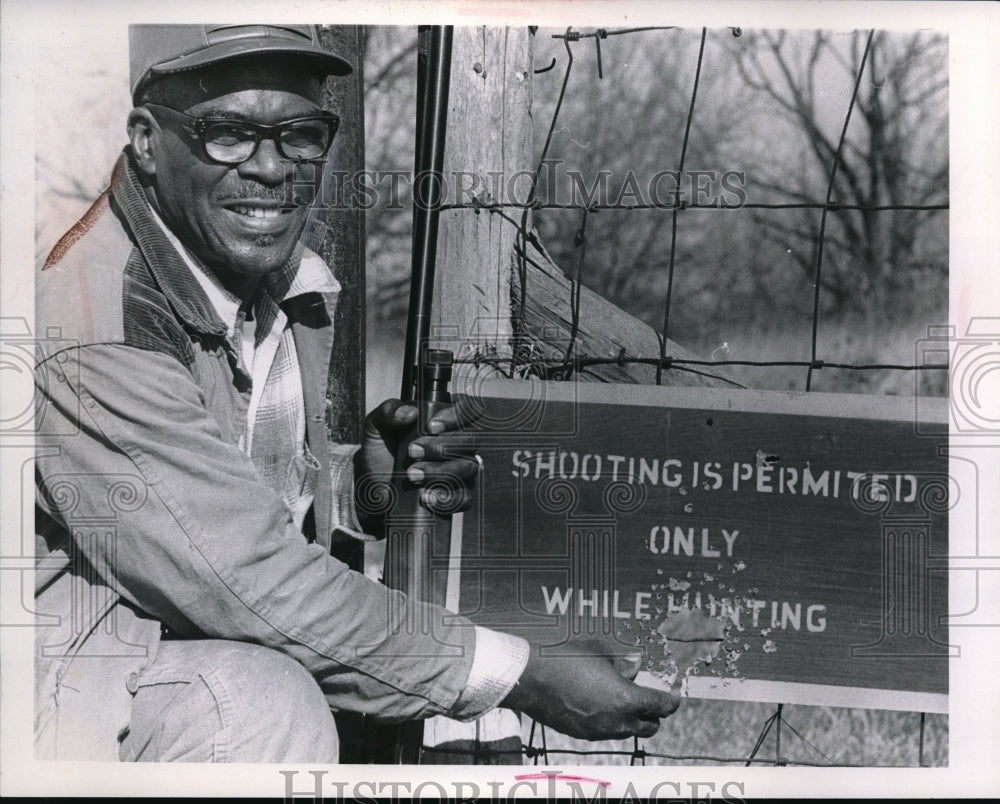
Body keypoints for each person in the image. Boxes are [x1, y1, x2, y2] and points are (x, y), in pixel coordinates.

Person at [33, 23, 680, 762]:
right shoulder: (97, 331)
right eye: (228, 133)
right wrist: (522, 675)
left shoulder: (266, 278)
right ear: (147, 142)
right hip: (59, 705)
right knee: (260, 706)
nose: (271, 167)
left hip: (141, 661)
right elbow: (249, 586)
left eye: (301, 132)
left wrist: (354, 489)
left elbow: (212, 498)